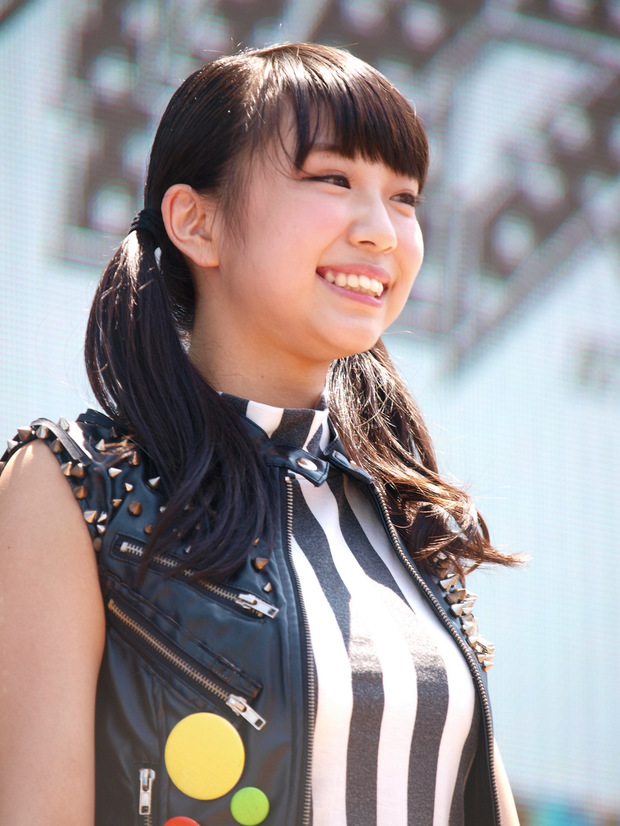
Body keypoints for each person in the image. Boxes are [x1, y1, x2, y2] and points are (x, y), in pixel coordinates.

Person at [0, 43, 520, 826]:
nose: (383, 232)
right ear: (196, 222)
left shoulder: (407, 516)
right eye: (333, 179)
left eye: (405, 197)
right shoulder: (73, 488)